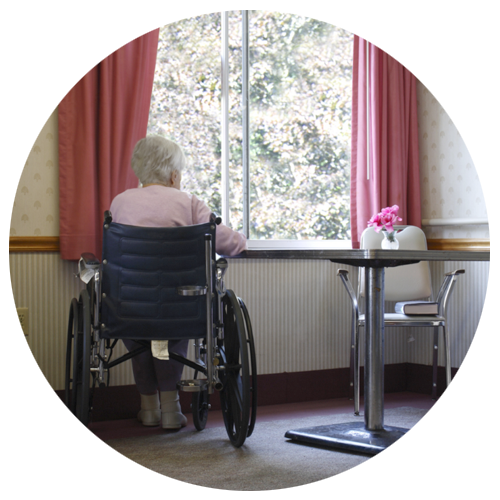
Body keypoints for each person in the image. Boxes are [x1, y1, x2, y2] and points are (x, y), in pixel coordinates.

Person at [109, 135, 247, 429]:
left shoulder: (119, 202)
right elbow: (226, 242)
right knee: (167, 335)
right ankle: (171, 410)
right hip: (178, 306)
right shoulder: (189, 202)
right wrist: (242, 240)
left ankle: (148, 408)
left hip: (128, 304)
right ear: (174, 175)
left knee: (141, 339)